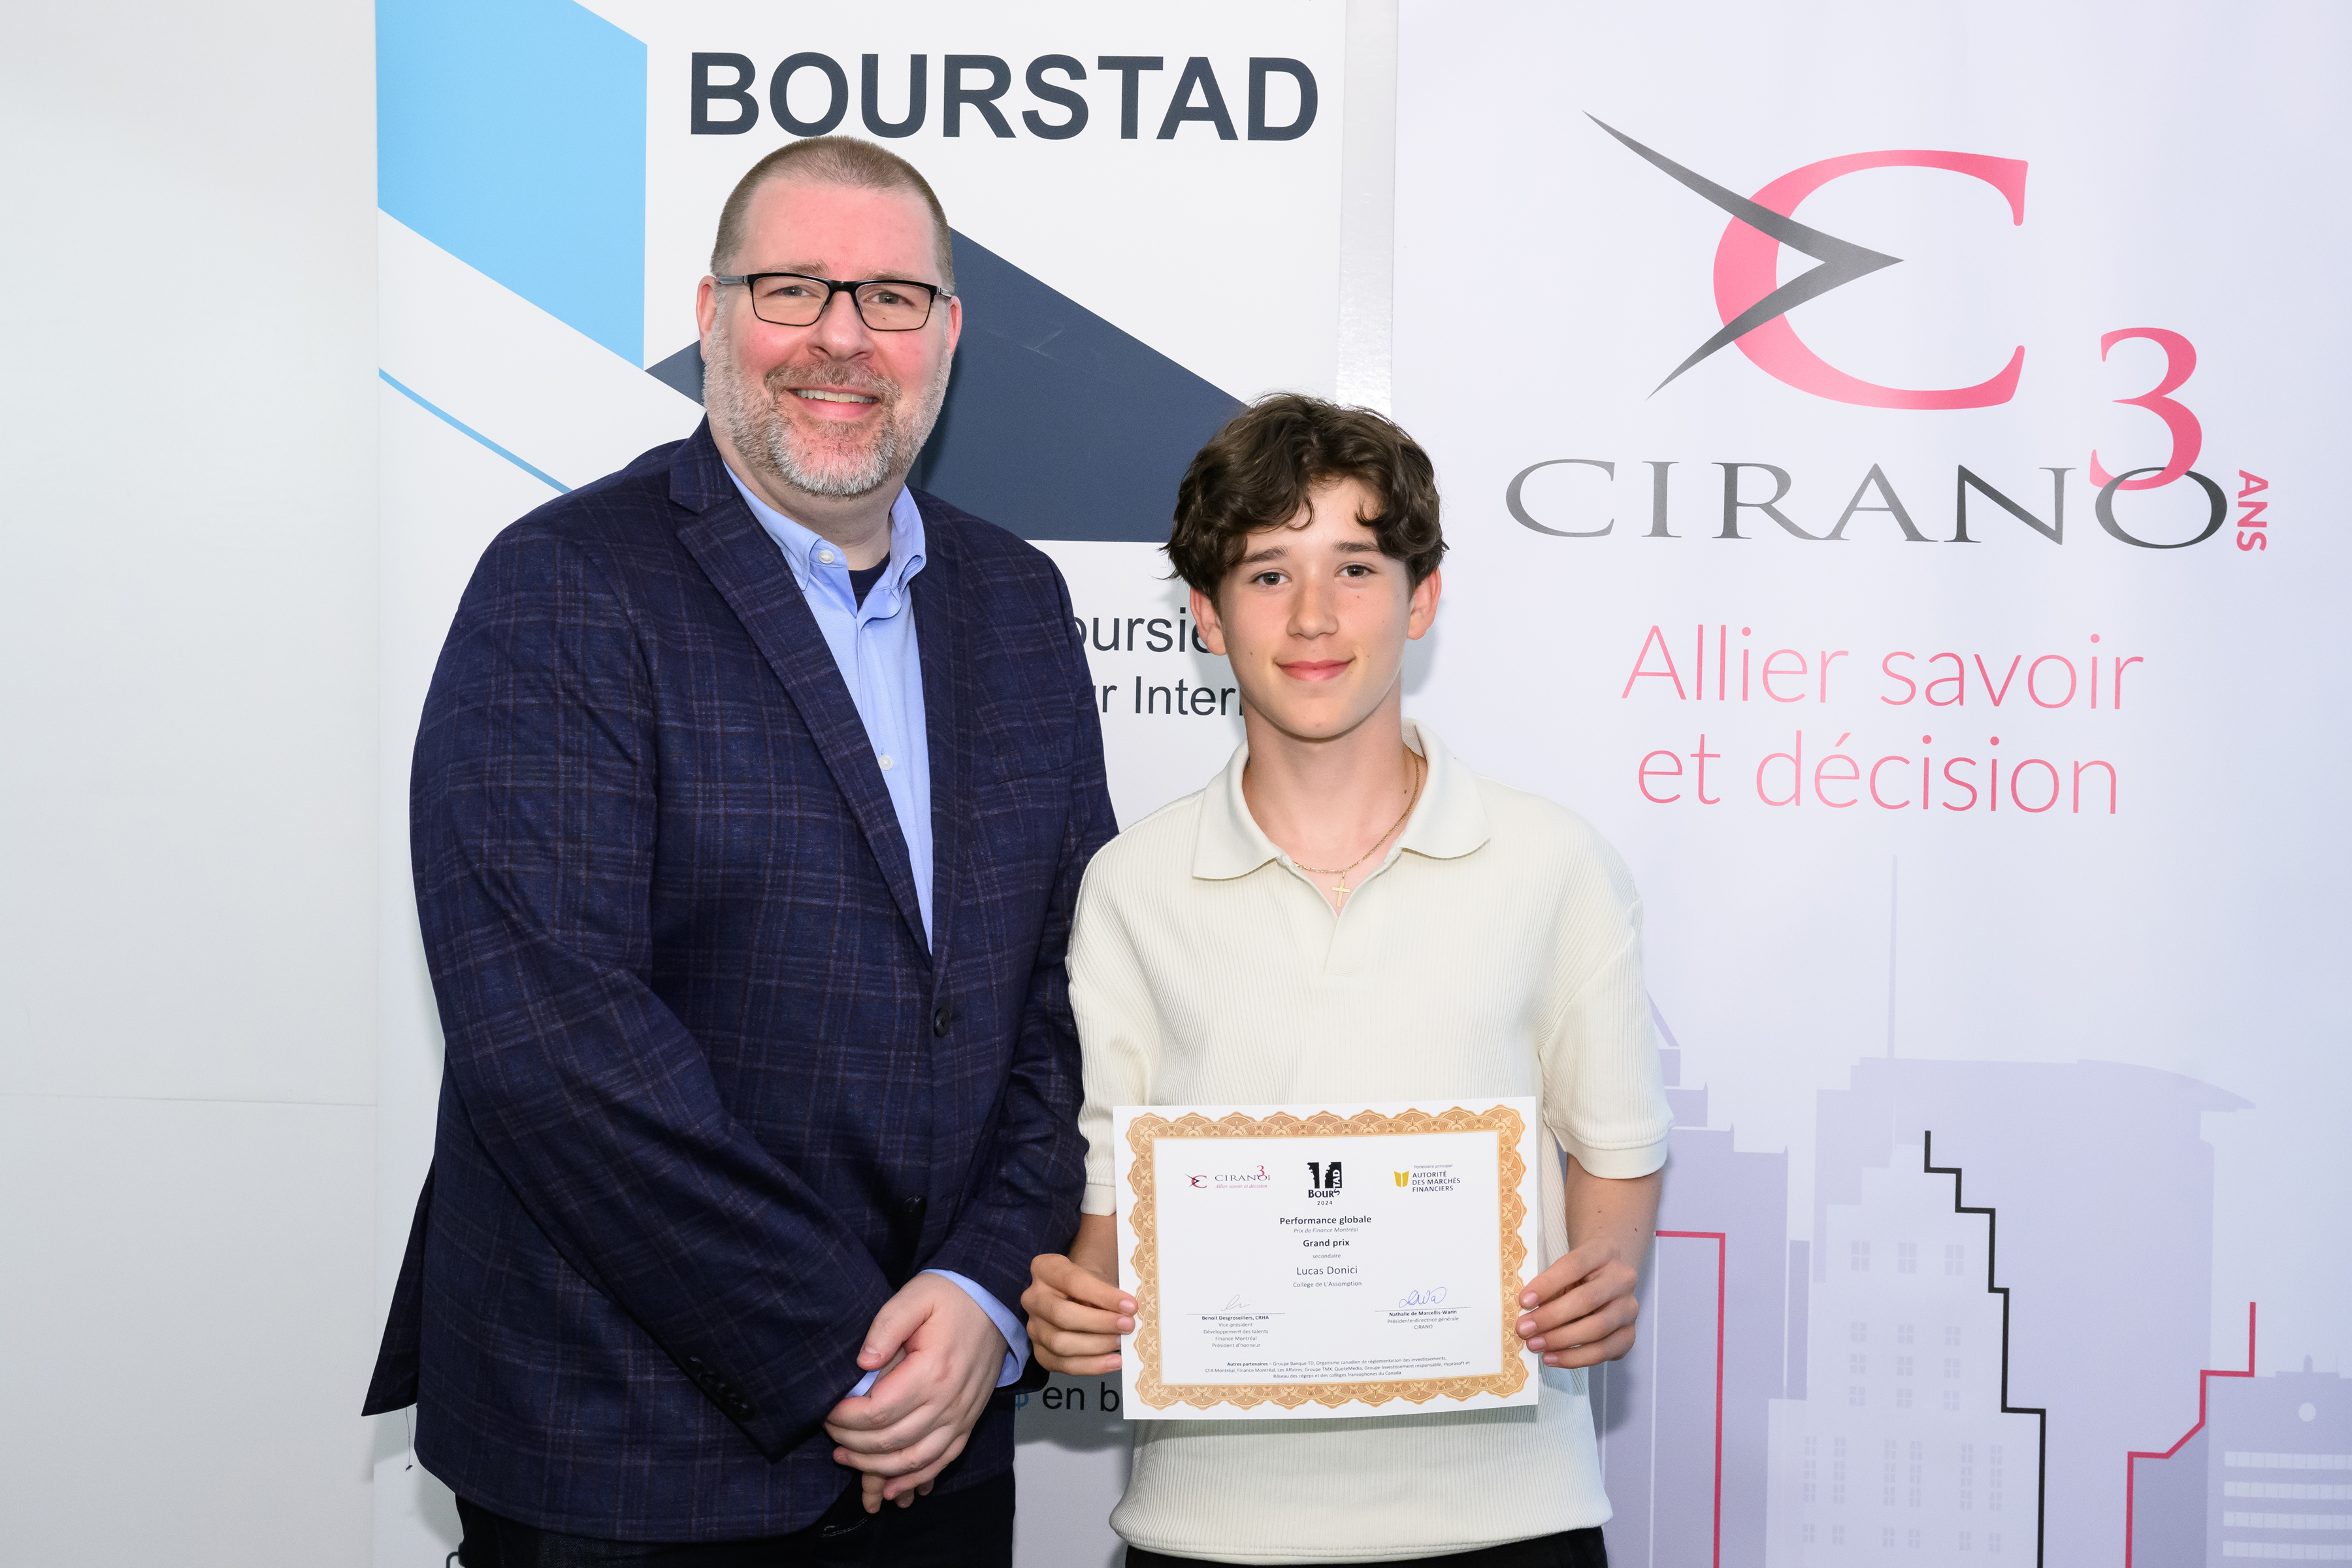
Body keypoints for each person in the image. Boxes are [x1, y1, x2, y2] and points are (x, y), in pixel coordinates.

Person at [362, 136, 1114, 1565]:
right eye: (794, 288)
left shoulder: (1017, 602)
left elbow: (1074, 991)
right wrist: (851, 1355)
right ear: (711, 315)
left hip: (942, 1428)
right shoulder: (565, 584)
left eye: (892, 297)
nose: (844, 336)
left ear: (947, 333)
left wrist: (981, 1291)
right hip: (623, 1448)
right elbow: (554, 1046)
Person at [1021, 396, 1671, 1566]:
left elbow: (1617, 1148)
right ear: (1207, 614)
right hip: (1208, 1530)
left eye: (1356, 568)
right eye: (1267, 573)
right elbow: (1116, 1190)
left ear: (1422, 600)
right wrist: (1077, 1311)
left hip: (1511, 1521)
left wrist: (1606, 1278)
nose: (1313, 616)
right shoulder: (1131, 886)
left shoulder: (1554, 863)